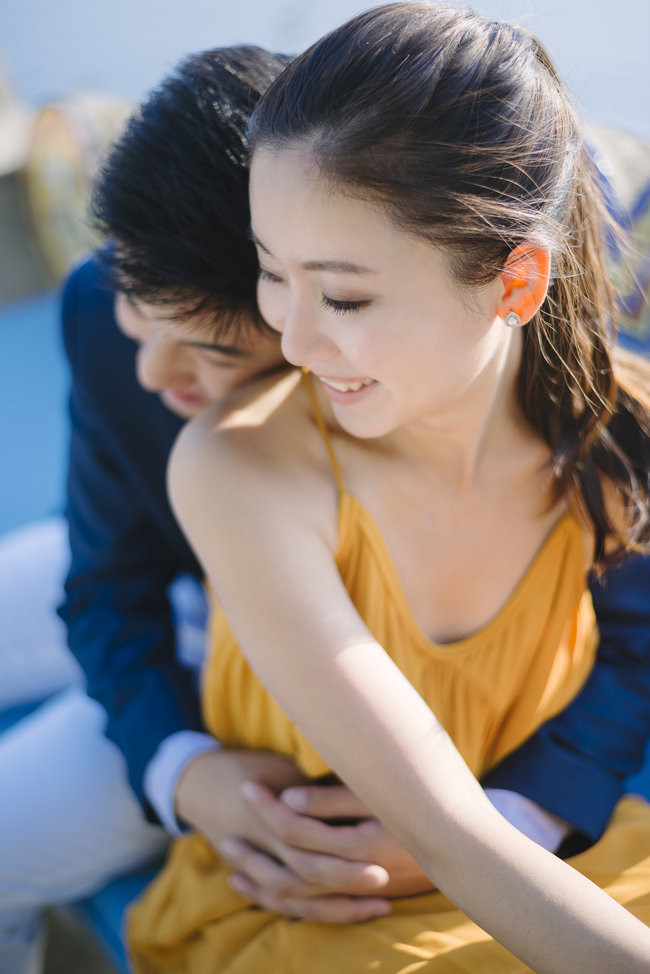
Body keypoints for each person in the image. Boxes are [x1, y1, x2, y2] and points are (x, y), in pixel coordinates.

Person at [0, 32, 648, 974]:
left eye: (339, 298)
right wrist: (180, 766)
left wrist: (520, 811)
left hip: (277, 605)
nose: (297, 344)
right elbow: (106, 580)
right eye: (276, 277)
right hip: (187, 583)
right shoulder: (127, 317)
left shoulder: (578, 426)